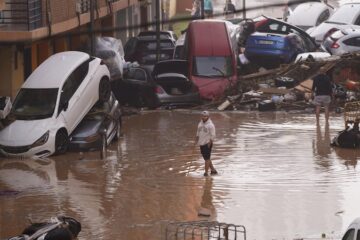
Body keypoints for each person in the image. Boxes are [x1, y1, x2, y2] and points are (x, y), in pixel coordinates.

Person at [195, 111, 217, 176]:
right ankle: (213, 170)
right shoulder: (200, 123)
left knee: (207, 158)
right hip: (201, 143)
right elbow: (198, 132)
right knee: (206, 158)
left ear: (208, 117)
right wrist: (196, 140)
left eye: (205, 116)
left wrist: (210, 143)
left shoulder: (211, 125)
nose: (204, 117)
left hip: (207, 143)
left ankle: (206, 173)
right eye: (203, 116)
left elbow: (213, 135)